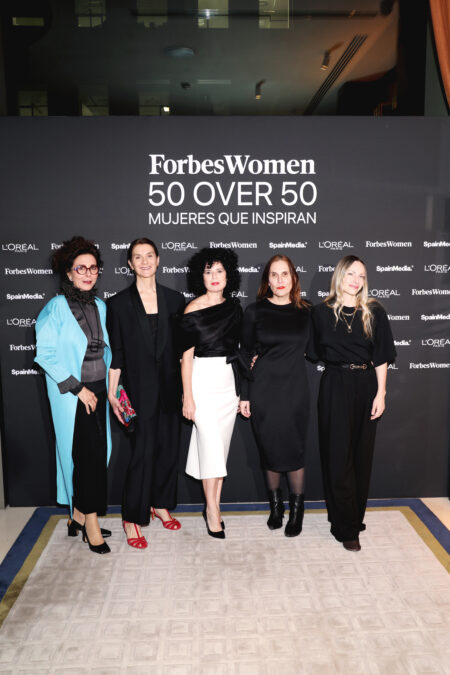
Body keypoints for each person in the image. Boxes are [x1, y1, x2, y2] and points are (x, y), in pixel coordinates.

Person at [306, 255, 396, 551]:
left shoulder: (375, 311)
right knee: (337, 455)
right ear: (339, 276)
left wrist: (381, 393)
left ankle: (354, 517)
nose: (356, 280)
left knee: (361, 455)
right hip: (335, 384)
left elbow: (381, 356)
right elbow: (311, 352)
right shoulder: (320, 312)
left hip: (367, 385)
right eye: (351, 274)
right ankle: (344, 526)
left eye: (361, 276)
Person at [35, 236, 112, 554]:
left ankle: (78, 515)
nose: (88, 273)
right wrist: (78, 389)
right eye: (81, 268)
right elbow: (45, 355)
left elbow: (105, 352)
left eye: (93, 268)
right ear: (68, 272)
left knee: (99, 455)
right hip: (73, 395)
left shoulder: (100, 306)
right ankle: (90, 525)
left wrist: (111, 389)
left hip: (99, 390)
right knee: (85, 460)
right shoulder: (55, 308)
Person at [107, 238, 185, 549]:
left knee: (168, 448)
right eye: (137, 257)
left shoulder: (175, 300)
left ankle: (160, 504)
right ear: (129, 264)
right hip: (137, 390)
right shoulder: (118, 304)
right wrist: (113, 393)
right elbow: (116, 354)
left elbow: (183, 351)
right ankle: (131, 517)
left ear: (158, 259)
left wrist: (187, 391)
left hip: (170, 388)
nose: (144, 261)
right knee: (141, 452)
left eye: (149, 255)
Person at [240, 255, 311, 537]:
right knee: (269, 450)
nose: (280, 280)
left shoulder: (307, 311)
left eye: (285, 274)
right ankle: (276, 507)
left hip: (295, 392)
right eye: (274, 275)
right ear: (267, 280)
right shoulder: (254, 311)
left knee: (294, 450)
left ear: (293, 278)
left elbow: (317, 349)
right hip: (264, 391)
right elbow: (245, 353)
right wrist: (245, 395)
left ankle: (297, 511)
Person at [179, 248, 244, 539]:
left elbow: (241, 349)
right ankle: (213, 511)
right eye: (208, 272)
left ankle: (214, 504)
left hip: (228, 385)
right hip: (201, 382)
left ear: (228, 275)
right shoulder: (192, 309)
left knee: (220, 451)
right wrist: (188, 396)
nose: (214, 277)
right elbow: (186, 358)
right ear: (200, 276)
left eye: (219, 271)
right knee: (211, 449)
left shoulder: (235, 308)